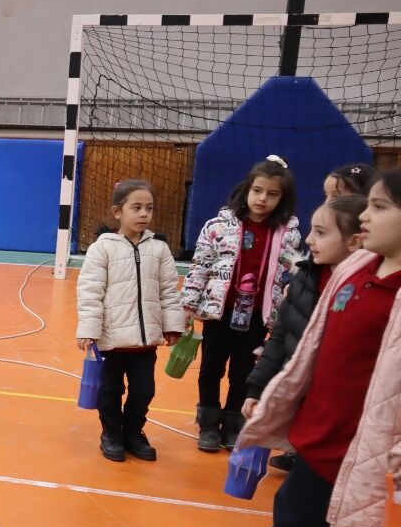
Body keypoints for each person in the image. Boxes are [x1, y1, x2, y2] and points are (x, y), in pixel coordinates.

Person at [215, 170, 401, 527]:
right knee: (294, 514)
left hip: (375, 447)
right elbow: (310, 343)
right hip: (321, 430)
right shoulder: (356, 267)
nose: (365, 216)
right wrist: (277, 393)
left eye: (380, 207)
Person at [181, 156, 302, 452]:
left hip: (257, 318)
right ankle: (208, 423)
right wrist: (188, 305)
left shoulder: (288, 234)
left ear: (282, 198)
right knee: (211, 369)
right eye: (257, 190)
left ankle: (234, 424)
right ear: (247, 189)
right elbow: (200, 266)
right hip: (219, 313)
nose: (262, 198)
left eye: (272, 194)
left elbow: (289, 276)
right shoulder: (218, 226)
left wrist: (283, 315)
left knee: (243, 373)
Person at [246, 194, 364, 489]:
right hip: (304, 405)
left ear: (354, 241)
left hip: (340, 417)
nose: (309, 239)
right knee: (296, 501)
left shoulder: (363, 291)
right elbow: (279, 338)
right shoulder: (303, 280)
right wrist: (258, 389)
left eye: (321, 233)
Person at [75, 180, 185, 462]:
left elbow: (168, 291)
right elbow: (90, 292)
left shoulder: (159, 249)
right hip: (111, 341)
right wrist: (88, 329)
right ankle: (112, 433)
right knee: (110, 391)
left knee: (144, 391)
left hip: (145, 342)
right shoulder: (102, 249)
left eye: (149, 208)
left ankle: (134, 432)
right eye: (136, 208)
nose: (144, 214)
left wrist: (173, 325)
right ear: (117, 212)